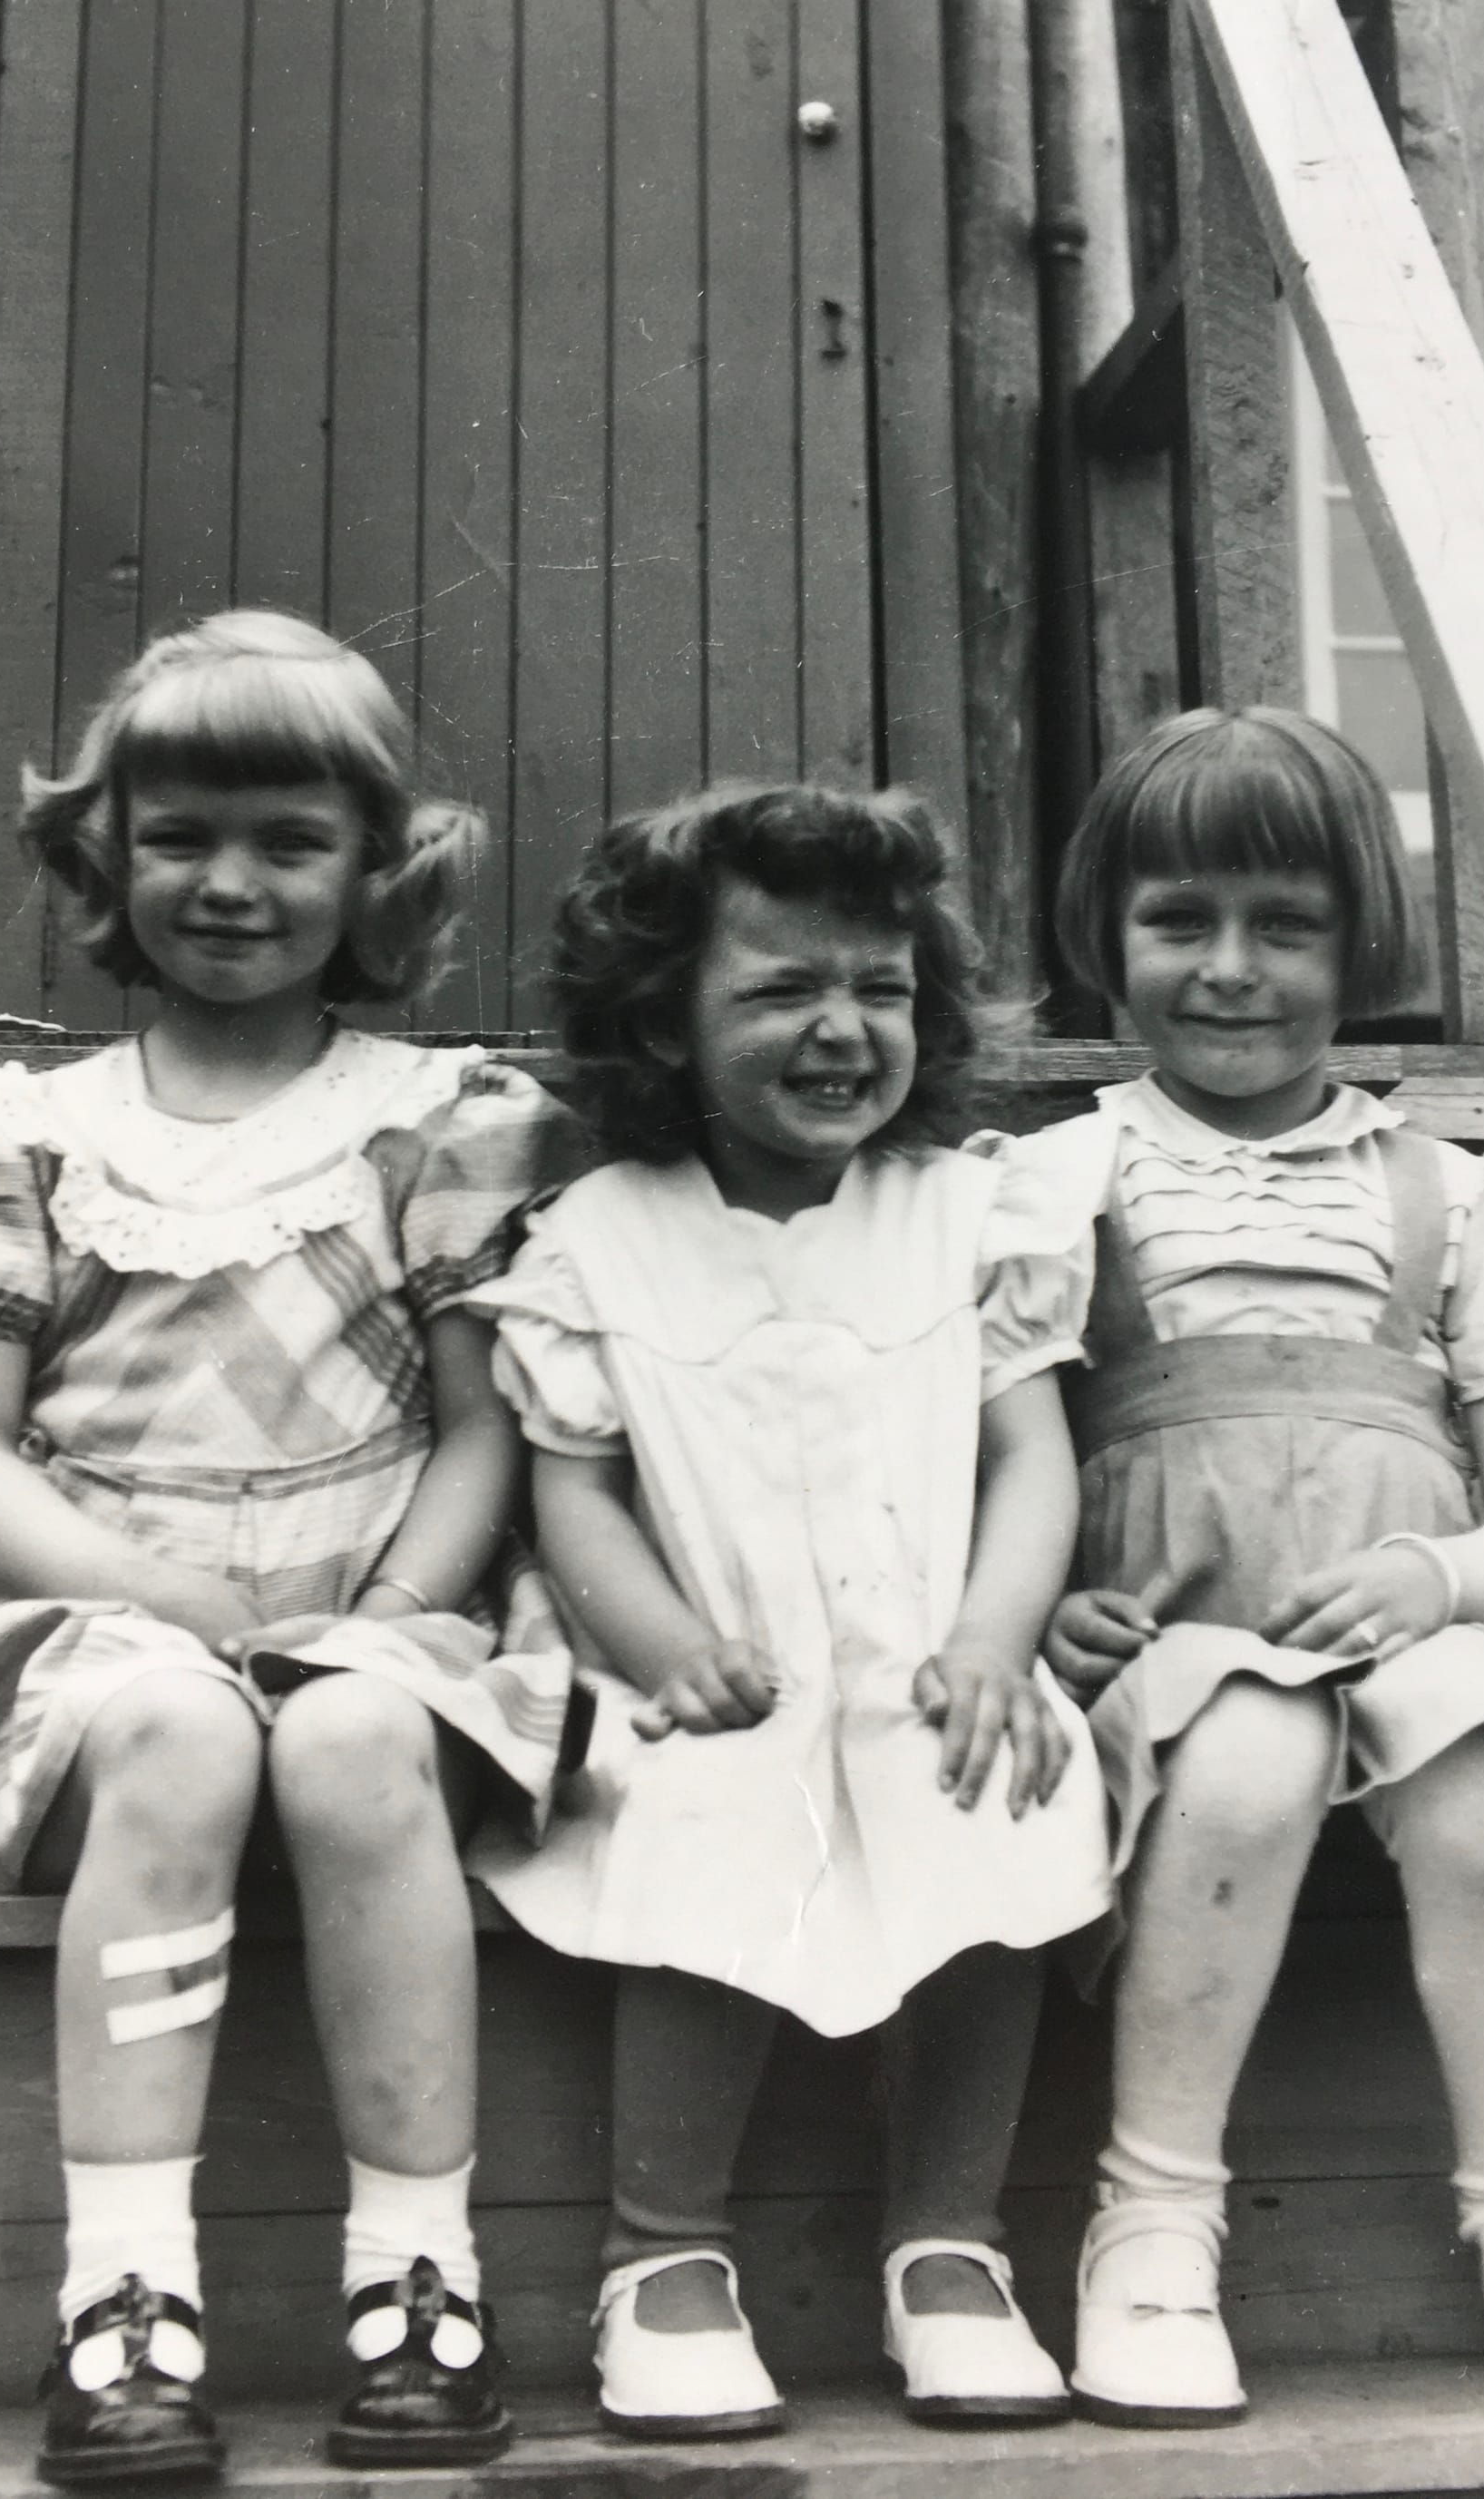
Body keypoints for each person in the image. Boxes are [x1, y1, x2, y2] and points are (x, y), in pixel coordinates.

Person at [0, 611, 585, 2484]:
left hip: (386, 1590)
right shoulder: (15, 1144)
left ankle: (419, 2274)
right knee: (181, 1733)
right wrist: (154, 1594)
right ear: (104, 855)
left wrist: (399, 1606)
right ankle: (126, 2301)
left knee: (346, 1736)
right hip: (109, 1611)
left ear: (373, 868)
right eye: (179, 834)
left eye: (288, 838)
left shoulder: (435, 1124)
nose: (231, 881)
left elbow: (483, 1422)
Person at [990, 705, 1484, 2429]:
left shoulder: (1462, 1199)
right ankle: (1152, 2214)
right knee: (1250, 1731)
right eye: (1180, 923)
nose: (1232, 970)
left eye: (1285, 927)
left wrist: (1439, 1582)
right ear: (1107, 936)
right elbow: (1003, 1477)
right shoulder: (1058, 1187)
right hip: (1183, 1659)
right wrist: (1052, 1604)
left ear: (1360, 941)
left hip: (1406, 1635)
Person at [464, 783, 1113, 2442]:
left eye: (879, 991)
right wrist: (663, 1646)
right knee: (711, 1792)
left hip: (930, 1656)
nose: (842, 1031)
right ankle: (660, 2254)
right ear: (662, 1023)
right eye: (779, 993)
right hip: (714, 1669)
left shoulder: (969, 1216)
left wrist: (995, 1640)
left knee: (1002, 1775)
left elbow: (1029, 1457)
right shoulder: (597, 1243)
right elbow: (574, 1485)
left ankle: (948, 2240)